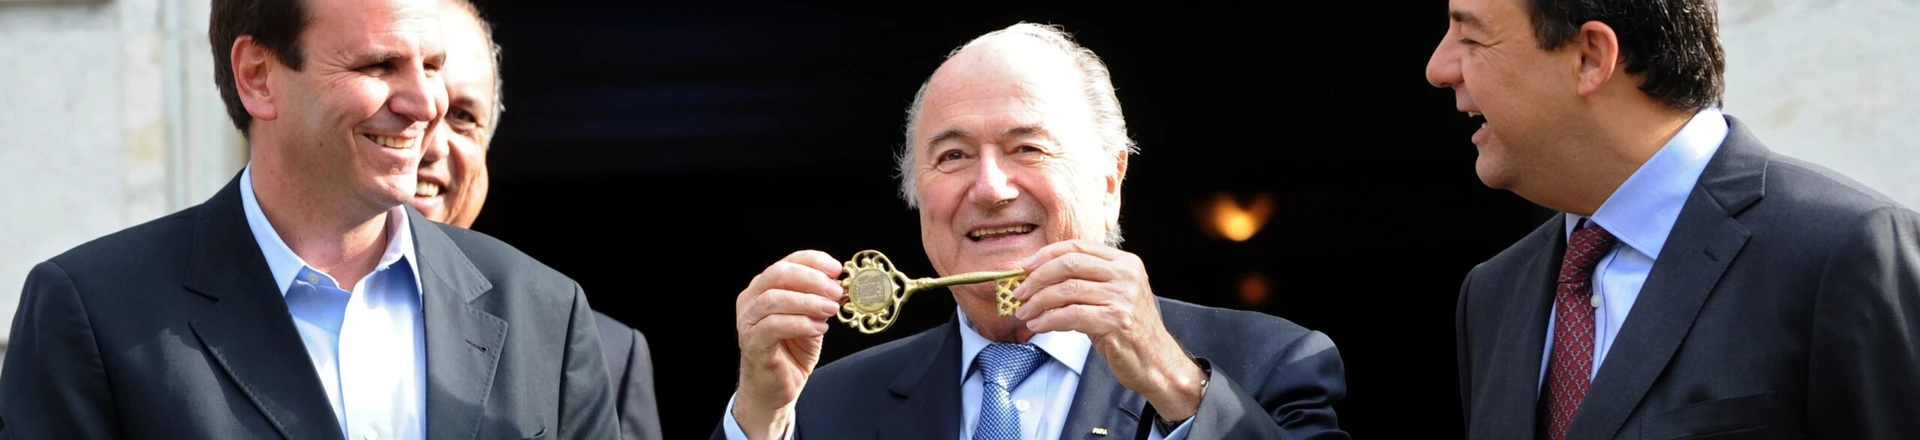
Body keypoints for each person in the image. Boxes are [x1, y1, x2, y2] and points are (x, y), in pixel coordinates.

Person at [0, 0, 619, 438]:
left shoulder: (543, 311)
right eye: (378, 65)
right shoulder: (94, 310)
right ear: (258, 77)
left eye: (430, 64)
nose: (425, 102)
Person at [715, 22, 1348, 440]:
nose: (990, 189)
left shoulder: (1271, 364)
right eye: (954, 156)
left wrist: (1174, 384)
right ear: (917, 194)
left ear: (1110, 178)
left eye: (1028, 148)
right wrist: (760, 415)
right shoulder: (820, 407)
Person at [1428, 0, 1920, 439]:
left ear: (1591, 56)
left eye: (1471, 37)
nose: (1439, 68)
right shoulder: (1493, 293)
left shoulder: (1848, 250)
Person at [411, 1, 662, 439]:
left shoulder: (601, 354)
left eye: (462, 117)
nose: (431, 145)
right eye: (411, 109)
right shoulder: (275, 299)